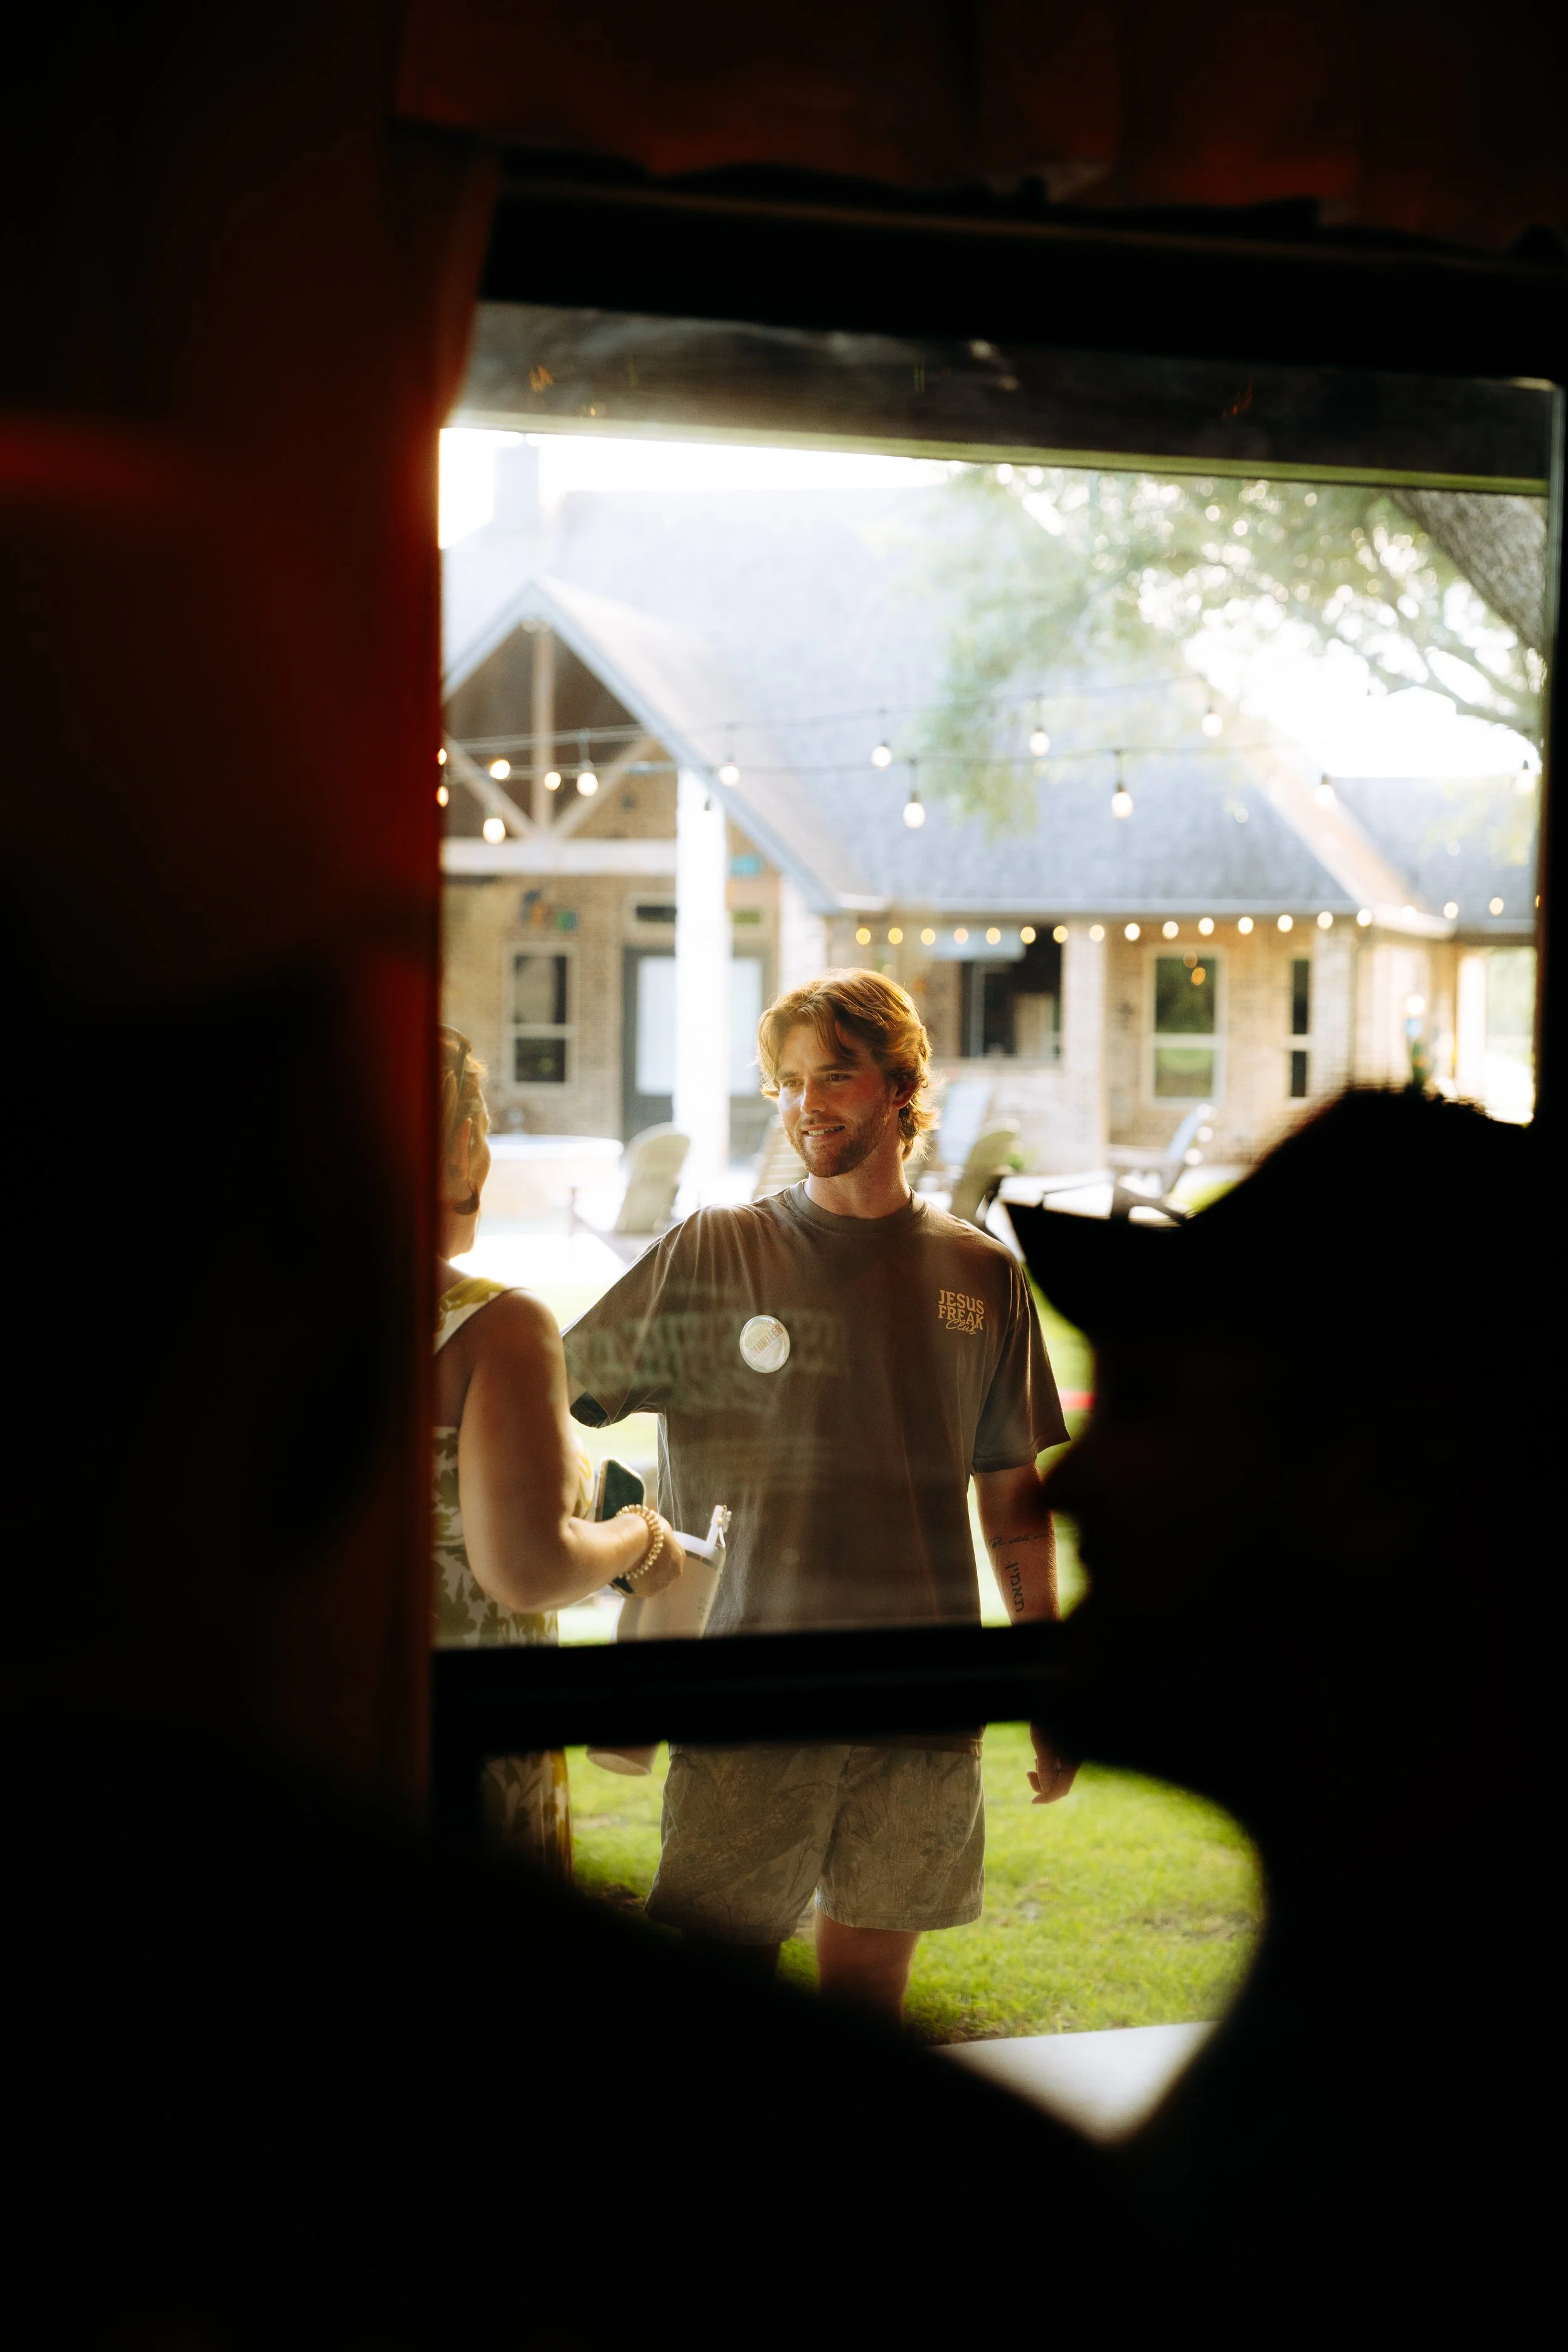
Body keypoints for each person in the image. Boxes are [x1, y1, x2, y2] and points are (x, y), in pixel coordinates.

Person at [1011, 1086, 1547, 2334]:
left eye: (1142, 1402)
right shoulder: (1404, 1990)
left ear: (1376, 1482)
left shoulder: (1435, 2115)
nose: (1064, 1484)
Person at [563, 970, 1076, 2020]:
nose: (806, 1104)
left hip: (920, 1704)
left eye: (834, 1076)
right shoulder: (716, 1249)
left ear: (901, 1087)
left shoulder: (983, 1278)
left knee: (868, 2009)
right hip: (750, 1692)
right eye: (787, 1083)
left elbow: (1013, 1501)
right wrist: (618, 1547)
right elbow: (557, 1394)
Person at [433, 1026, 686, 1871]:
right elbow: (529, 1566)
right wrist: (639, 1537)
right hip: (459, 1739)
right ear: (466, 1145)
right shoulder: (493, 1327)